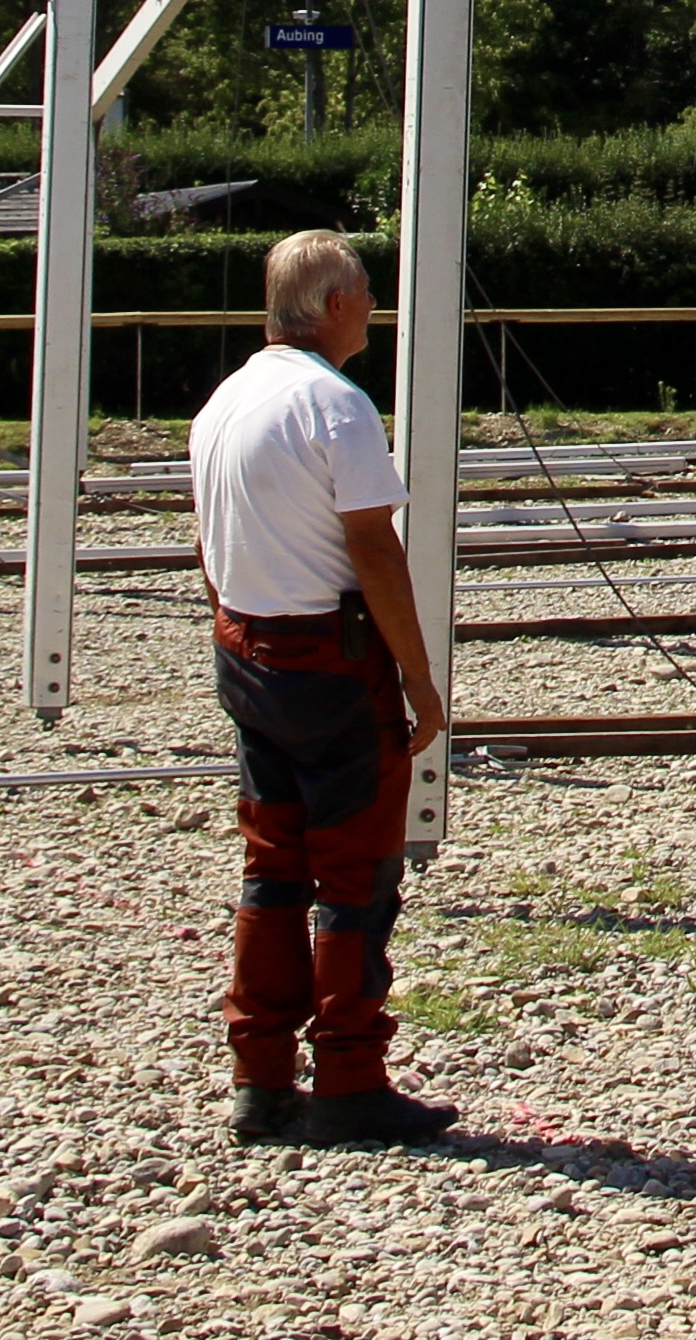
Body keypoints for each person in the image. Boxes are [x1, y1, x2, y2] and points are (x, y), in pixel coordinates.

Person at [188, 230, 459, 1149]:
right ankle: (348, 1072)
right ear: (335, 302)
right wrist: (419, 677)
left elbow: (210, 542)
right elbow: (374, 549)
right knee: (354, 871)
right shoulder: (334, 406)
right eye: (367, 292)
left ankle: (258, 1077)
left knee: (272, 865)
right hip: (330, 659)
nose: (375, 308)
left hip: (248, 647)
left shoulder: (227, 400)